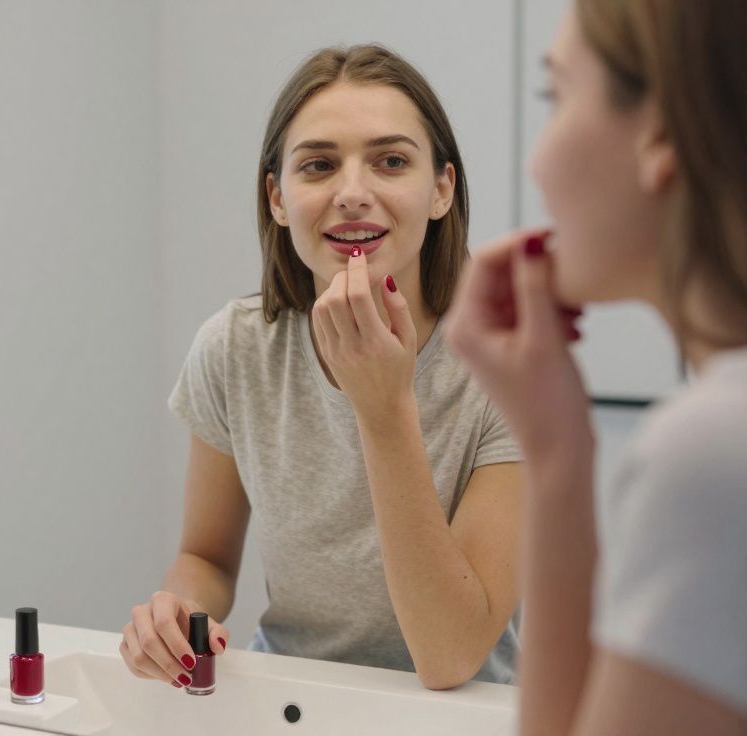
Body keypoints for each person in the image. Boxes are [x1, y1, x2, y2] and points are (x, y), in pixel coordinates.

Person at [120, 45, 523, 692]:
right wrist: (178, 613)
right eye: (318, 166)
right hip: (295, 697)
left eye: (391, 161)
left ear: (442, 188)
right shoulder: (234, 349)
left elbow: (450, 655)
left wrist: (384, 408)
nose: (353, 193)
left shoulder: (513, 366)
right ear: (278, 198)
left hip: (464, 710)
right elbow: (205, 558)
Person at [446, 1, 747, 733]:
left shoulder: (711, 452)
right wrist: (555, 448)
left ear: (662, 133)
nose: (534, 160)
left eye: (556, 96)